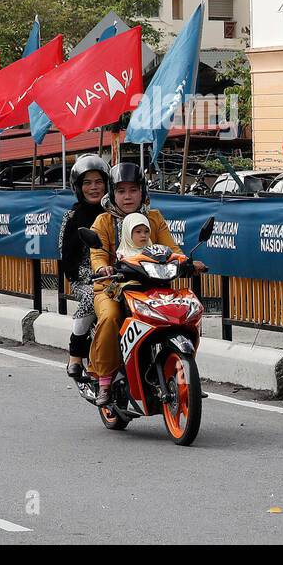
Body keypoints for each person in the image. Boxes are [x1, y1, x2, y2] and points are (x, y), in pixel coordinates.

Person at [86, 163, 205, 406]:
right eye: (121, 191)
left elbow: (171, 248)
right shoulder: (103, 221)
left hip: (153, 285)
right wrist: (102, 268)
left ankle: (185, 376)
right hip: (112, 287)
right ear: (112, 193)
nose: (127, 196)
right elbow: (97, 254)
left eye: (133, 190)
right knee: (109, 317)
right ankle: (105, 380)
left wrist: (187, 262)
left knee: (180, 312)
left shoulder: (154, 217)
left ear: (143, 192)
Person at [56, 154, 111, 377]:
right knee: (92, 296)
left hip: (120, 273)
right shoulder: (72, 217)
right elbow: (66, 255)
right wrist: (86, 275)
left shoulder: (117, 212)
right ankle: (75, 354)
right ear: (78, 187)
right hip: (85, 278)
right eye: (87, 183)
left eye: (99, 182)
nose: (94, 188)